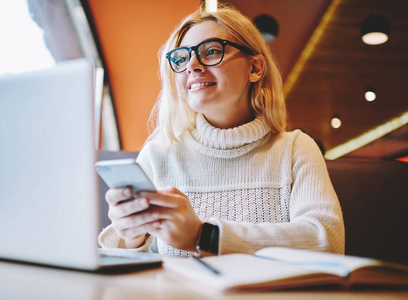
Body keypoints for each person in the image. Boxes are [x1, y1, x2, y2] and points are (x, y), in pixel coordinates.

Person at [98, 5, 345, 256]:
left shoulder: (295, 149)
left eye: (212, 51)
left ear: (255, 68)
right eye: (181, 59)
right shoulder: (157, 156)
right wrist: (130, 236)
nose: (192, 66)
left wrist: (203, 236)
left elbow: (327, 240)